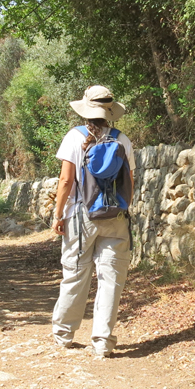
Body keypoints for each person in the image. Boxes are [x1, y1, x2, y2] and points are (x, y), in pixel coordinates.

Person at [51, 85, 135, 358]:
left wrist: (58, 213)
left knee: (76, 274)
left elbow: (65, 181)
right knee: (111, 278)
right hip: (115, 216)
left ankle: (64, 334)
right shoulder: (122, 140)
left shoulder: (73, 138)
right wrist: (122, 210)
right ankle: (102, 342)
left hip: (80, 215)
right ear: (110, 111)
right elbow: (129, 183)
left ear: (86, 109)